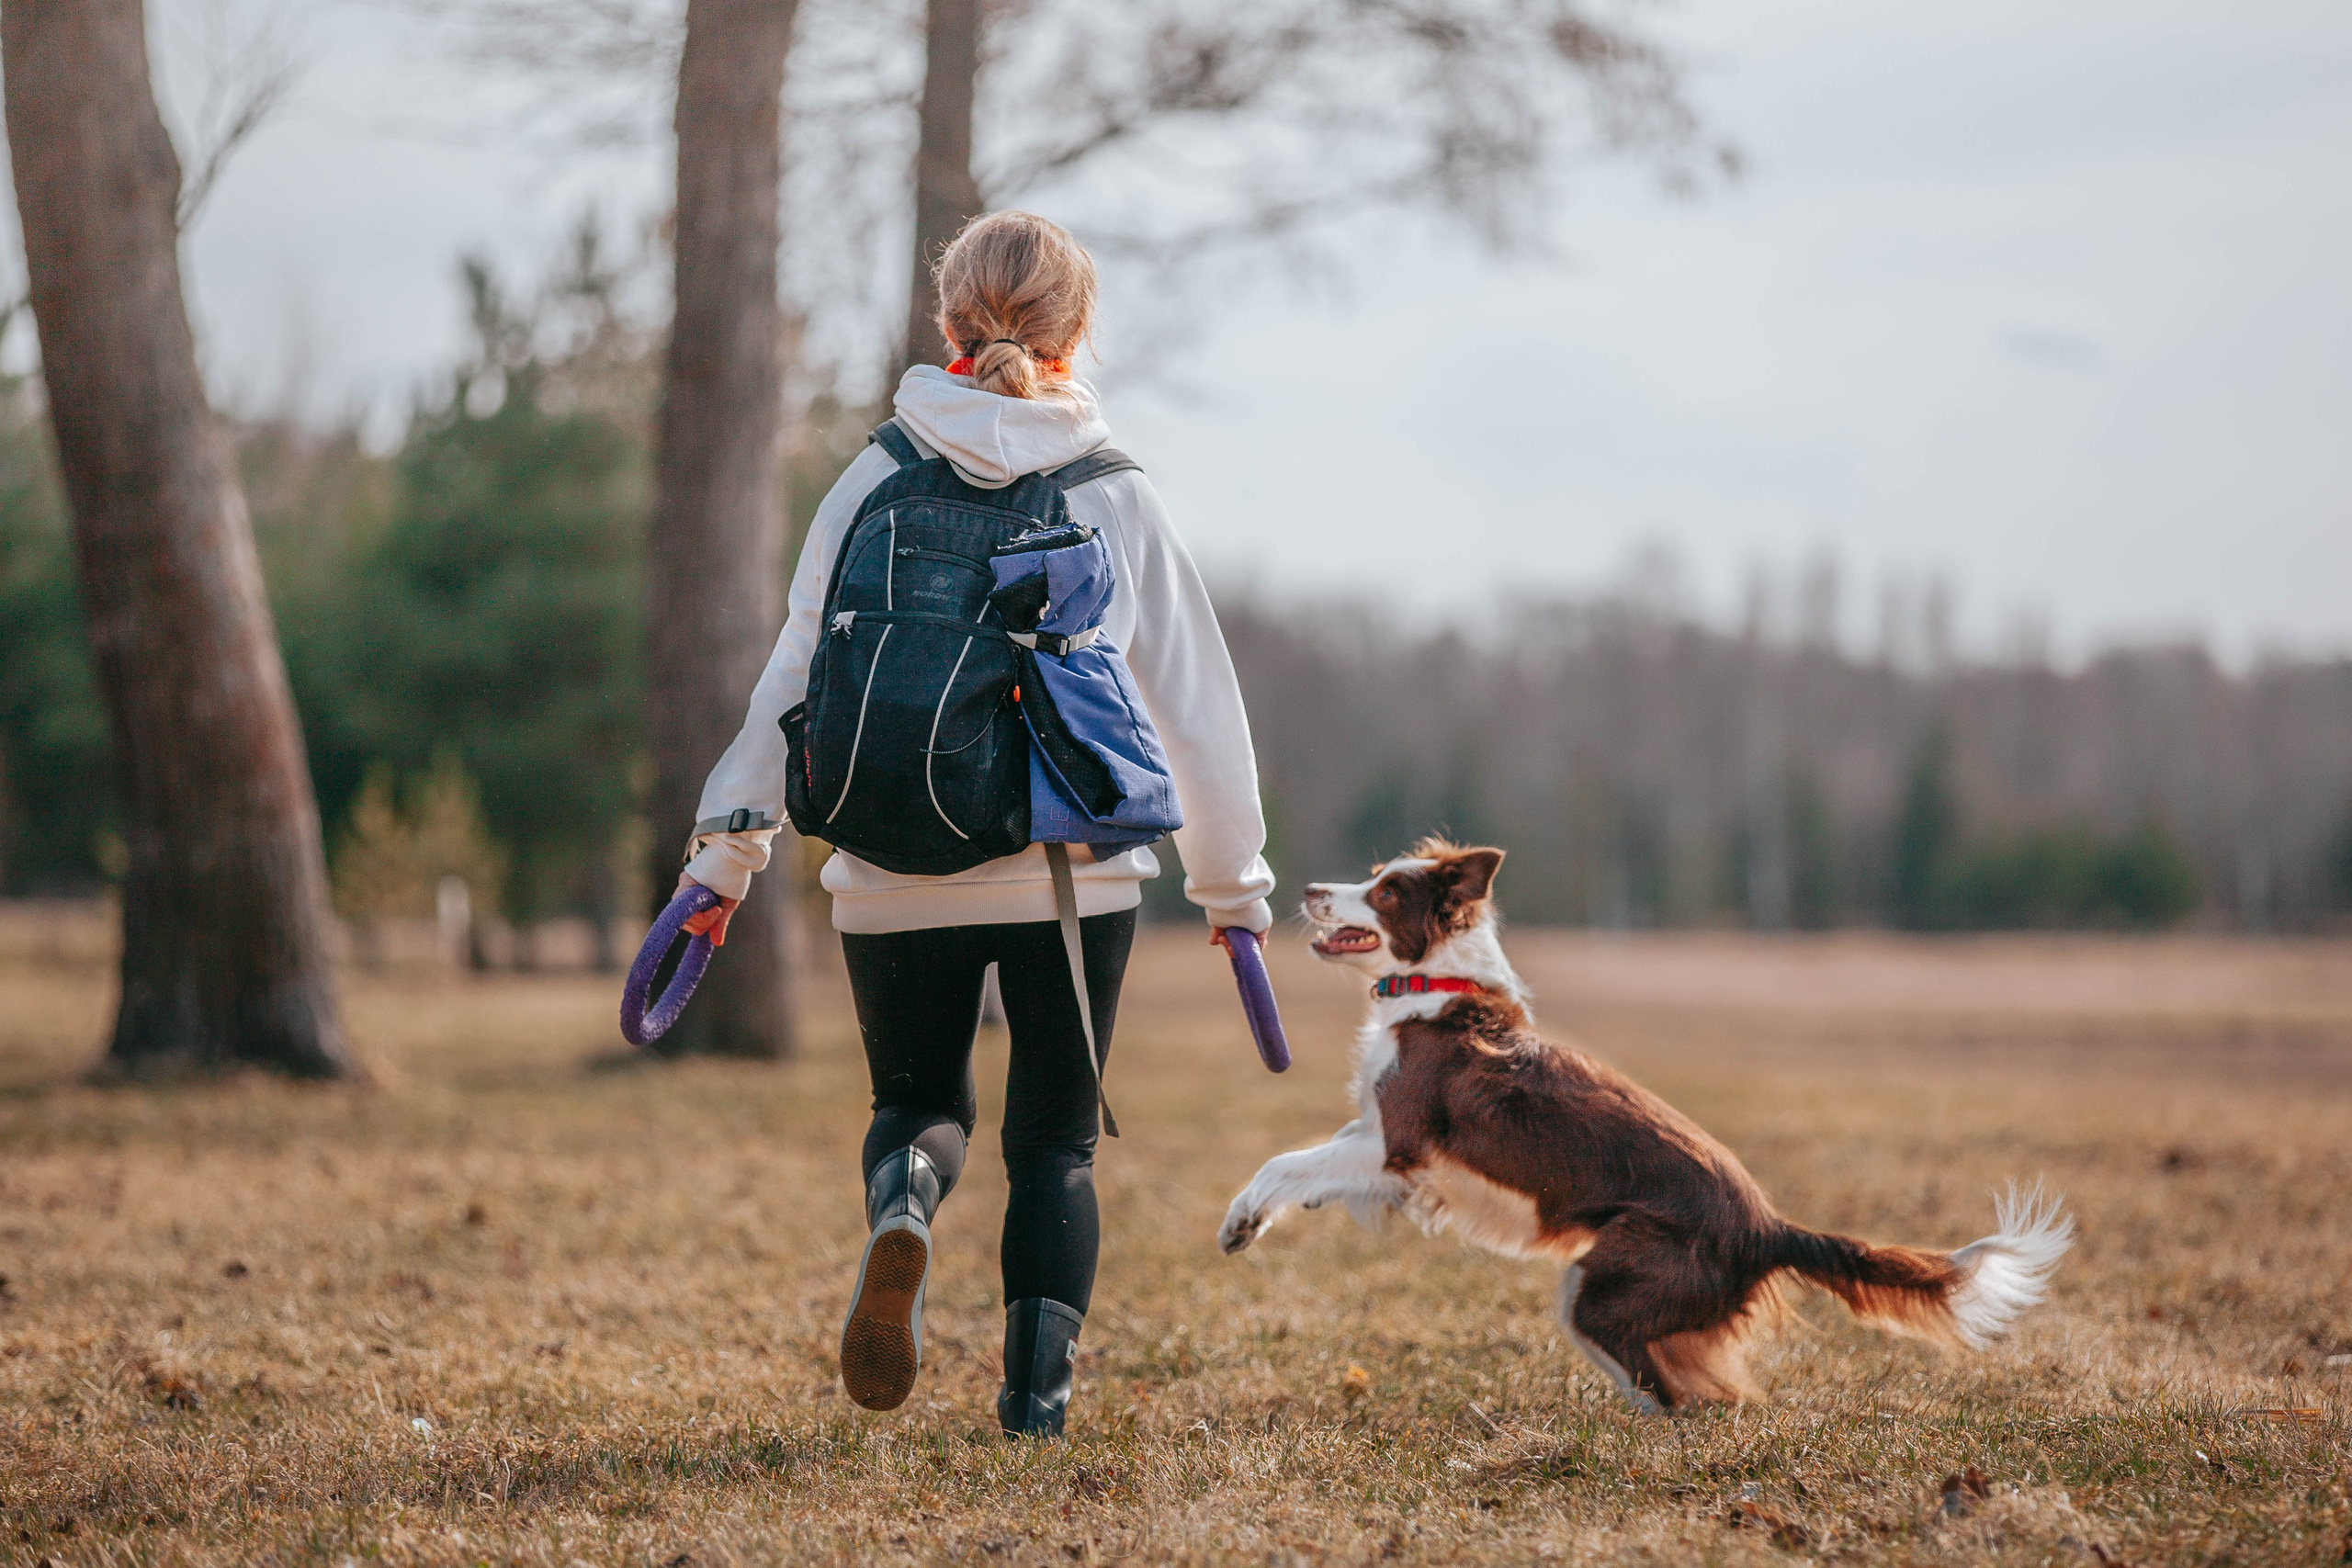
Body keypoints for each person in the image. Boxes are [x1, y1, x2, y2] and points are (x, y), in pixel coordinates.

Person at [674, 210, 1274, 1436]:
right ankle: (1033, 1404)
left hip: (887, 865)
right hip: (1074, 875)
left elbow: (795, 677)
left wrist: (727, 850)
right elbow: (1198, 708)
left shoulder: (875, 475)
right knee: (1054, 1145)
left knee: (918, 1105)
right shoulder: (1114, 491)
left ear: (949, 324)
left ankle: (904, 1197)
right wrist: (1233, 893)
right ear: (1079, 333)